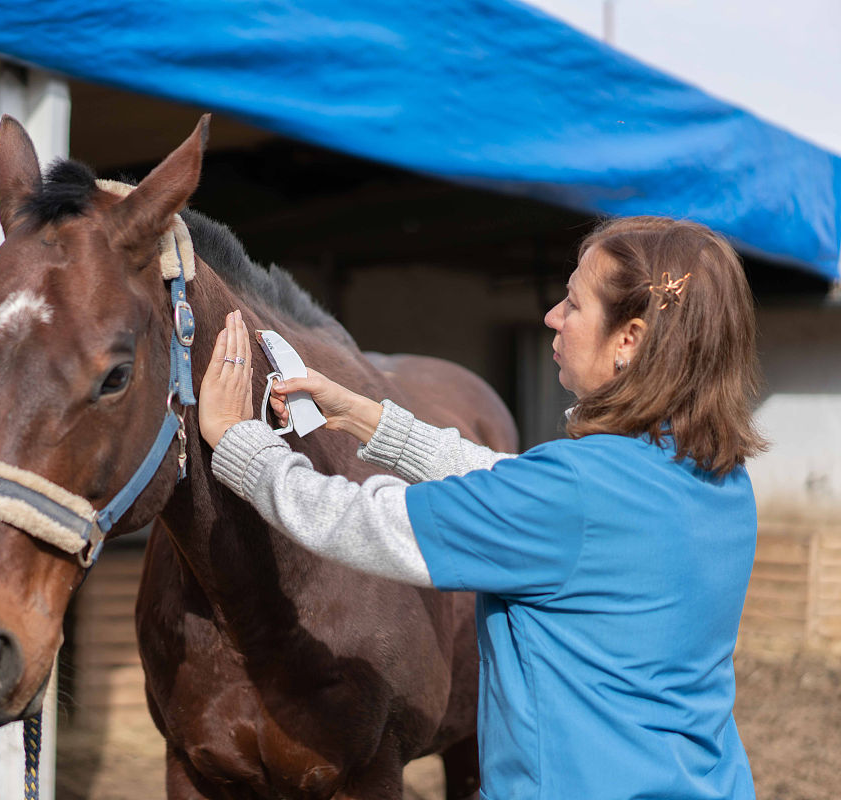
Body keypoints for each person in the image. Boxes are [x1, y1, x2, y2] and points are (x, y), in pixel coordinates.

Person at [198, 216, 765, 800]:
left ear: (629, 340)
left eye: (572, 304)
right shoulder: (716, 477)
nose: (553, 318)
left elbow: (361, 521)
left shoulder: (572, 492)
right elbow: (517, 491)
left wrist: (244, 444)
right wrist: (363, 416)